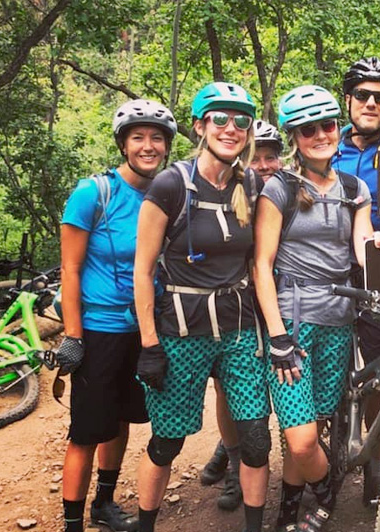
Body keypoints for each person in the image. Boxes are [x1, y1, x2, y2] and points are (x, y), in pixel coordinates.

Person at [253, 84, 380, 532]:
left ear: (339, 127)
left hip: (338, 322)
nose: (321, 134)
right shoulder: (279, 189)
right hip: (292, 325)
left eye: (328, 125)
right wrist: (276, 336)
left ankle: (290, 511)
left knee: (313, 424)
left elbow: (359, 249)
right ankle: (329, 489)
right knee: (302, 439)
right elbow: (261, 264)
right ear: (294, 136)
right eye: (308, 128)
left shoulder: (353, 188)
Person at [133, 81, 270, 532]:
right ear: (200, 126)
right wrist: (150, 344)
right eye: (221, 119)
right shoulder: (172, 185)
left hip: (239, 330)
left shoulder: (250, 183)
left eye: (241, 121)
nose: (232, 129)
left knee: (255, 440)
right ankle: (146, 523)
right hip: (181, 332)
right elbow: (143, 269)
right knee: (167, 441)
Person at [55, 99, 177, 532]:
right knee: (87, 430)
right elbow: (70, 268)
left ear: (166, 146)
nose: (148, 146)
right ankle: (72, 522)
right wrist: (72, 335)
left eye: (156, 138)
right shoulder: (94, 193)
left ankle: (104, 503)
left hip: (144, 329)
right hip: (99, 328)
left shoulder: (167, 192)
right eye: (138, 138)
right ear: (123, 144)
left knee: (122, 419)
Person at [332, 57, 380, 505]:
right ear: (348, 99)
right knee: (328, 369)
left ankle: (376, 472)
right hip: (329, 271)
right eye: (362, 94)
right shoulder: (326, 144)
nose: (370, 103)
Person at [197, 118, 284, 513]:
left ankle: (230, 451)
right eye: (257, 158)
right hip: (239, 308)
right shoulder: (233, 192)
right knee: (227, 388)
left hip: (283, 304)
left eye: (272, 157)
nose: (264, 165)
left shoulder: (291, 192)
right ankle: (234, 462)